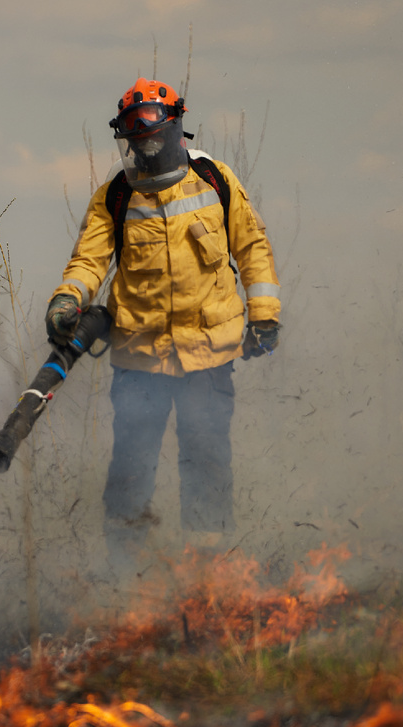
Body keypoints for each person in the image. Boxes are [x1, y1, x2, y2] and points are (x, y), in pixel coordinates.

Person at [45, 77, 281, 578]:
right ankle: (125, 576)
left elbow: (252, 245)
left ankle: (208, 574)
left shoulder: (214, 179)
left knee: (207, 461)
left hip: (208, 355)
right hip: (140, 359)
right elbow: (88, 261)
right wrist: (67, 300)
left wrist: (264, 314)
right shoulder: (116, 195)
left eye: (153, 137)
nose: (146, 148)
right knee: (131, 469)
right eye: (137, 140)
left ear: (175, 129)